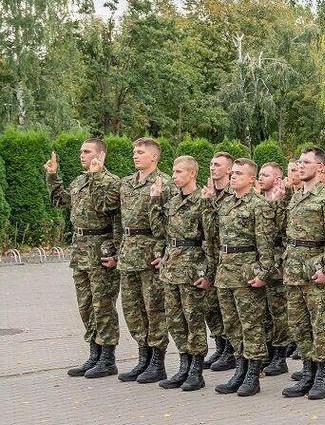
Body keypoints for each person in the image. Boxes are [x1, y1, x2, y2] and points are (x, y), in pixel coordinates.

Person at [46, 140, 122, 378]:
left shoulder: (112, 182)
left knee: (103, 306)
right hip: (80, 251)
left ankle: (108, 358)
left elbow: (110, 212)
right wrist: (53, 176)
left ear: (101, 155)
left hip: (101, 249)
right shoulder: (79, 181)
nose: (82, 155)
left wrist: (117, 253)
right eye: (81, 151)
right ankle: (94, 353)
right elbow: (61, 201)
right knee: (86, 306)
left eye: (87, 151)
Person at [280, 147, 325, 400]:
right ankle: (307, 372)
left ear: (320, 168)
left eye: (306, 162)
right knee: (299, 325)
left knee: (322, 325)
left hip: (315, 269)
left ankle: (322, 376)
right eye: (299, 161)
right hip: (294, 270)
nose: (300, 166)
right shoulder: (296, 196)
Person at [207, 158, 274, 396]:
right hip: (225, 272)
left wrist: (263, 273)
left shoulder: (259, 205)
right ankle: (240, 369)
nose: (233, 176)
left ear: (252, 179)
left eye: (239, 173)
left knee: (251, 325)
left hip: (246, 272)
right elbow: (214, 238)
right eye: (232, 172)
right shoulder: (225, 203)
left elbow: (265, 245)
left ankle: (253, 375)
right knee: (232, 326)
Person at [150, 156, 215, 391]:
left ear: (191, 174)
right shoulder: (173, 201)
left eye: (179, 172)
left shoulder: (202, 200)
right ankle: (183, 366)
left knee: (193, 320)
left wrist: (208, 272)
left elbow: (211, 239)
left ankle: (196, 370)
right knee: (175, 320)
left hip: (192, 266)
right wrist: (155, 201)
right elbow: (159, 231)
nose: (174, 176)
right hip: (171, 267)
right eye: (174, 171)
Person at [116, 138, 175, 384]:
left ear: (154, 157)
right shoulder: (127, 184)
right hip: (128, 253)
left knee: (154, 308)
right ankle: (143, 357)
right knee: (132, 309)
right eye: (134, 152)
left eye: (140, 152)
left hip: (150, 252)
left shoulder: (165, 184)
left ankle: (157, 362)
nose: (135, 155)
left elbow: (169, 224)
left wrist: (162, 251)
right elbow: (119, 220)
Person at [256, 162, 291, 376]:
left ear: (277, 180)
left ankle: (280, 356)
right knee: (264, 311)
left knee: (279, 312)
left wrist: (277, 205)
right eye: (259, 174)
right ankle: (268, 351)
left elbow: (285, 234)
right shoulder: (258, 201)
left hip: (278, 262)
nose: (260, 178)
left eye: (265, 175)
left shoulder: (285, 202)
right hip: (261, 262)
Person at [204, 152, 236, 371]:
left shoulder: (233, 195)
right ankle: (220, 345)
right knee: (210, 306)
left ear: (229, 170)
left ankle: (231, 350)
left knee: (227, 307)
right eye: (211, 164)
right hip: (209, 256)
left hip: (228, 258)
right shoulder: (206, 193)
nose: (213, 168)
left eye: (218, 165)